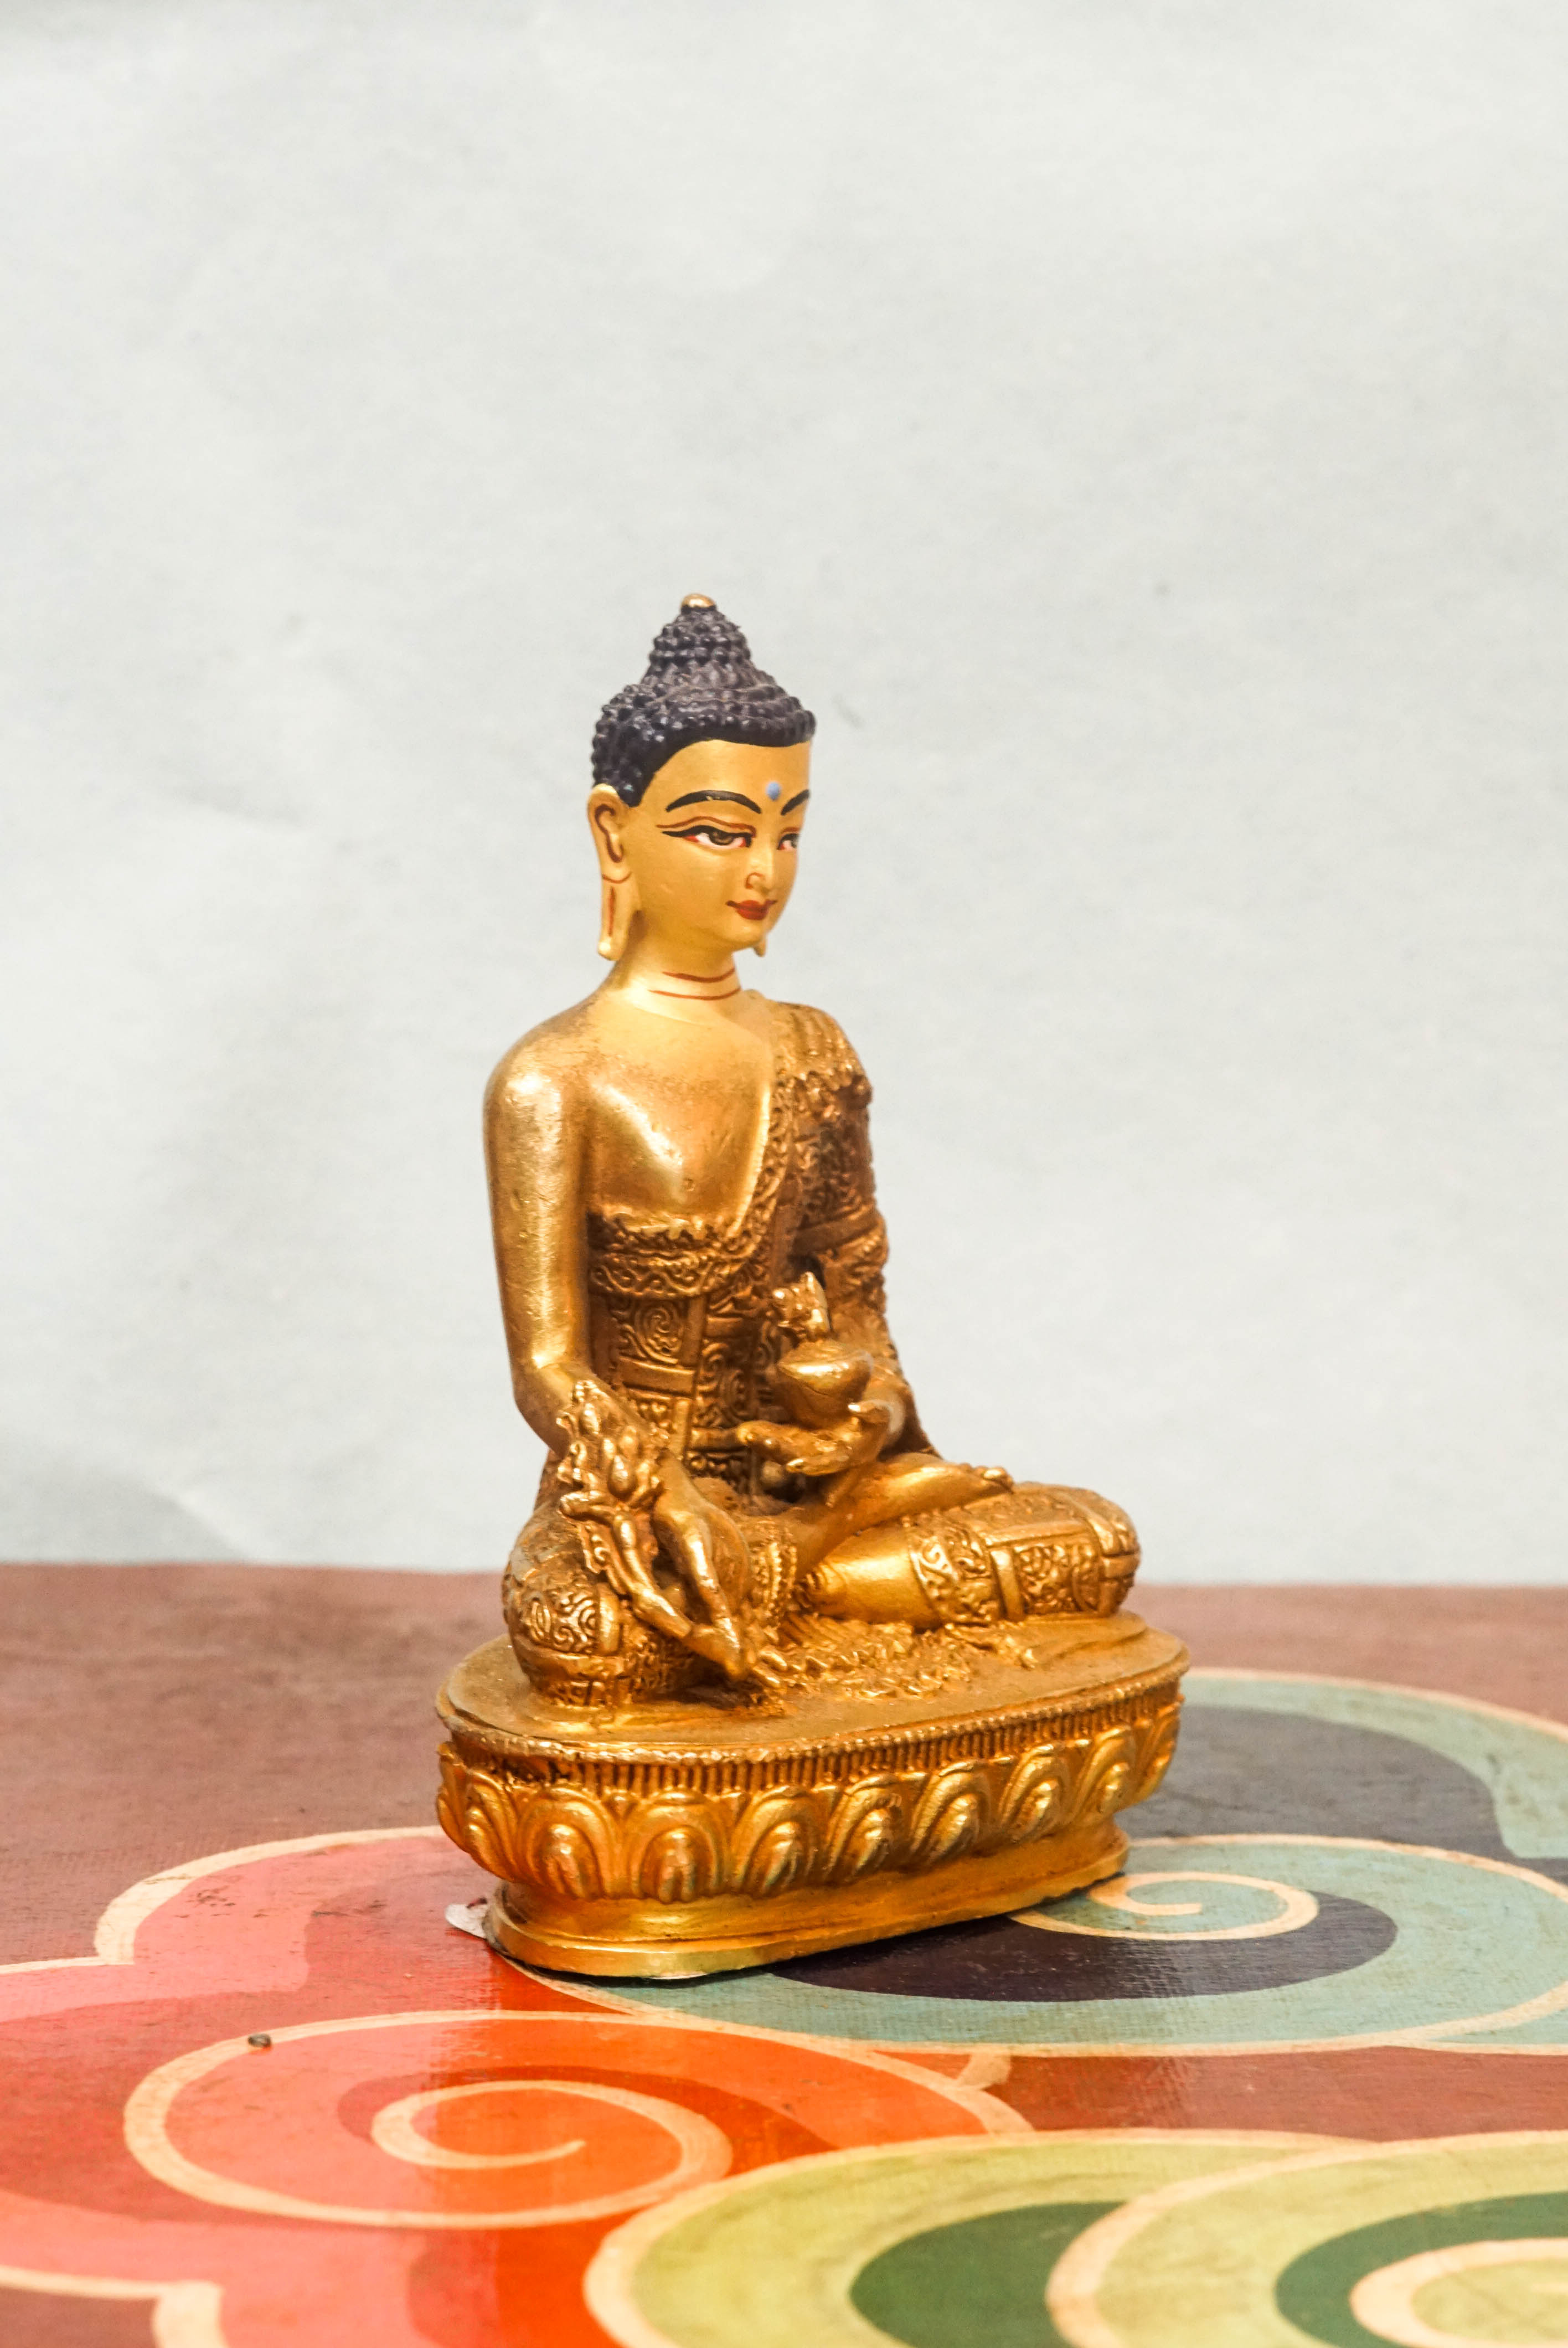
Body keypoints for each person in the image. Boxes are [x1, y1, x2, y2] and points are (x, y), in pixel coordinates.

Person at [486, 597, 1138, 1706]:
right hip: (639, 1514)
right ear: (613, 830)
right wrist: (667, 1497)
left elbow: (859, 1303)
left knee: (1097, 1541)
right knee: (589, 1635)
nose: (764, 867)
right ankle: (785, 1600)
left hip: (813, 1505)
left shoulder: (812, 1050)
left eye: (789, 830)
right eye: (718, 830)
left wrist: (862, 1426)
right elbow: (550, 1366)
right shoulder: (556, 1077)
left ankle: (793, 1593)